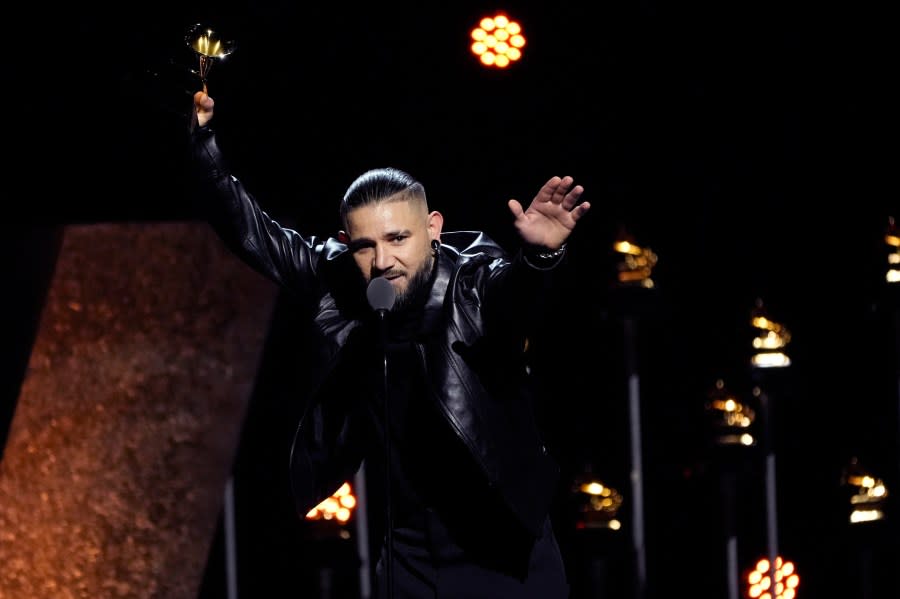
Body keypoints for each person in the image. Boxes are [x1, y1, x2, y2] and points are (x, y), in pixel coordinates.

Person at [188, 89, 591, 598]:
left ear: (433, 229)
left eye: (398, 239)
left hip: (506, 551)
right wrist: (203, 146)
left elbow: (515, 300)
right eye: (365, 245)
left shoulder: (473, 284)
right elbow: (250, 232)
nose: (382, 262)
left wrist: (539, 259)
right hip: (406, 557)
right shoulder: (343, 279)